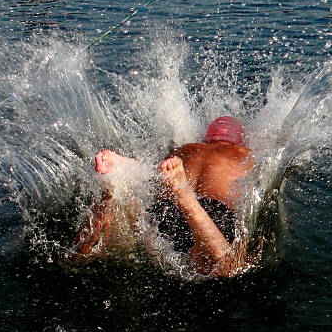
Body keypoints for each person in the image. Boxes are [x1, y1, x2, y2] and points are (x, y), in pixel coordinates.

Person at [73, 116, 255, 277]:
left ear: (206, 138)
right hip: (212, 213)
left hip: (166, 210)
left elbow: (152, 175)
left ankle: (116, 188)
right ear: (239, 140)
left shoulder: (186, 150)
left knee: (90, 256)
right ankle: (186, 198)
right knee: (230, 267)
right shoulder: (244, 154)